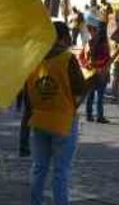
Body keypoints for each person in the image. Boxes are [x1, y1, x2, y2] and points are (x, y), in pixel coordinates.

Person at [25, 21, 88, 205]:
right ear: (61, 38)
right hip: (63, 121)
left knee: (39, 167)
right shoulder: (67, 59)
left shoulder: (33, 59)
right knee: (61, 170)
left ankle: (35, 201)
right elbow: (79, 90)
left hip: (39, 118)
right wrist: (96, 79)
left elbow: (28, 93)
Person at [81, 18, 111, 123]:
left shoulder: (89, 43)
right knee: (99, 96)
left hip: (90, 73)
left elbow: (81, 57)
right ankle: (99, 116)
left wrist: (87, 64)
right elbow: (106, 59)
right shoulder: (104, 45)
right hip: (101, 73)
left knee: (90, 95)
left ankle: (89, 115)